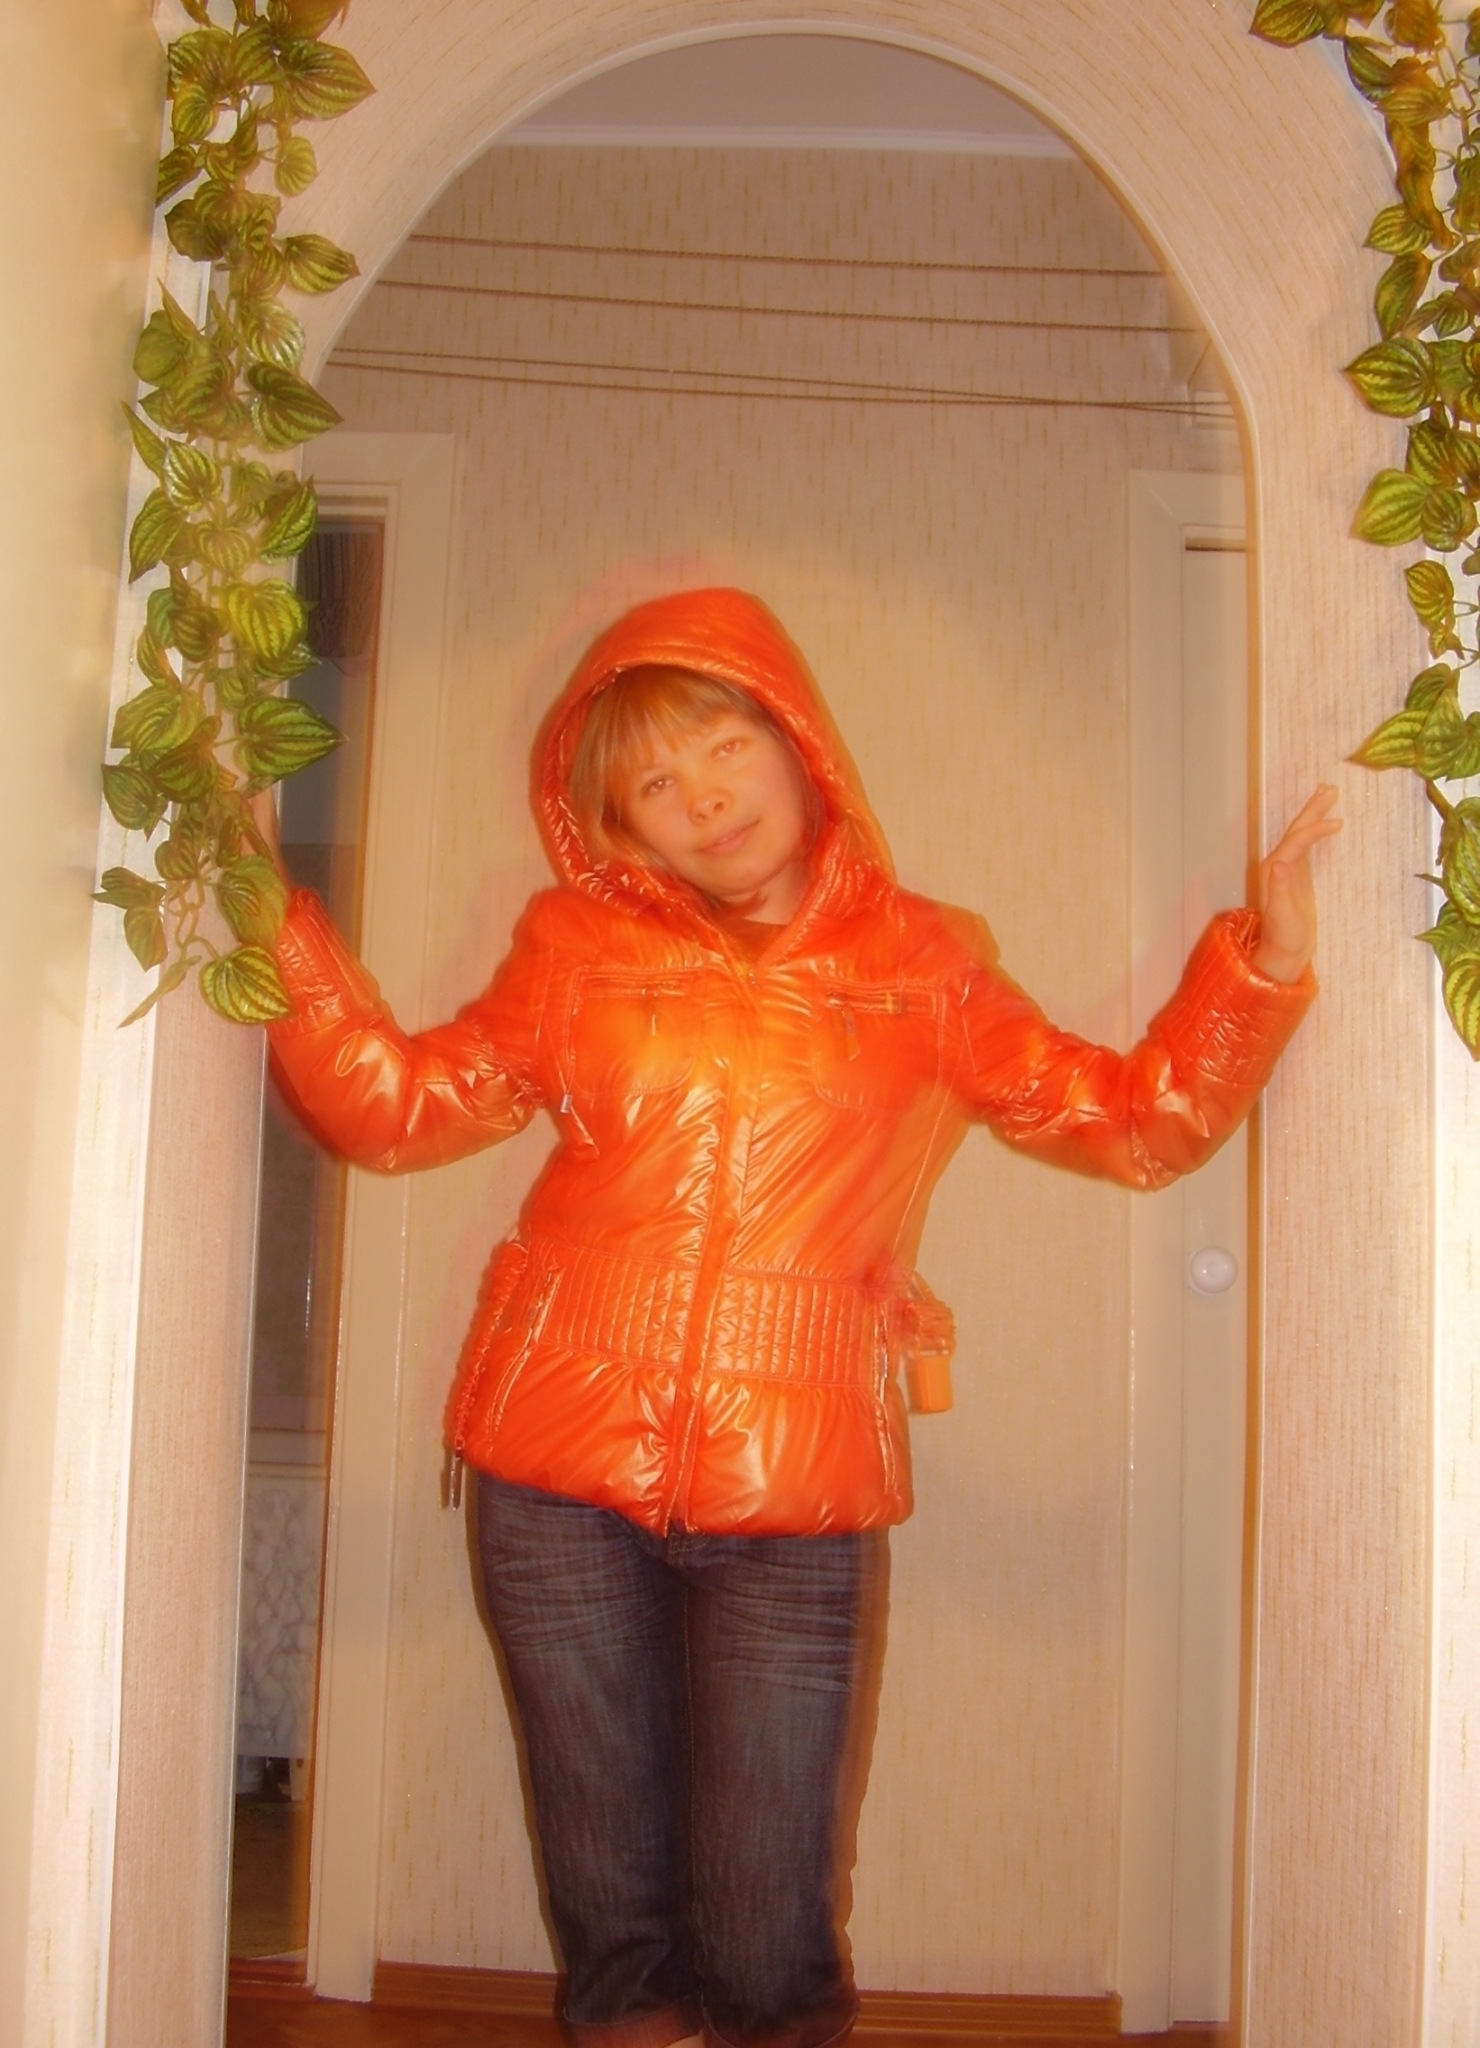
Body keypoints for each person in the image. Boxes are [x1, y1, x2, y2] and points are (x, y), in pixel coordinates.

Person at [261, 587, 1337, 2048]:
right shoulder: (573, 946)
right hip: (548, 1468)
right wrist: (273, 927)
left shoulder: (927, 963)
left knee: (772, 1926)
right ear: (616, 823)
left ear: (796, 742)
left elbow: (1135, 1121)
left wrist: (1263, 964)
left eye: (724, 747)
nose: (703, 800)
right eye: (654, 783)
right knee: (611, 1910)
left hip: (800, 1480)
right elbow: (394, 1109)